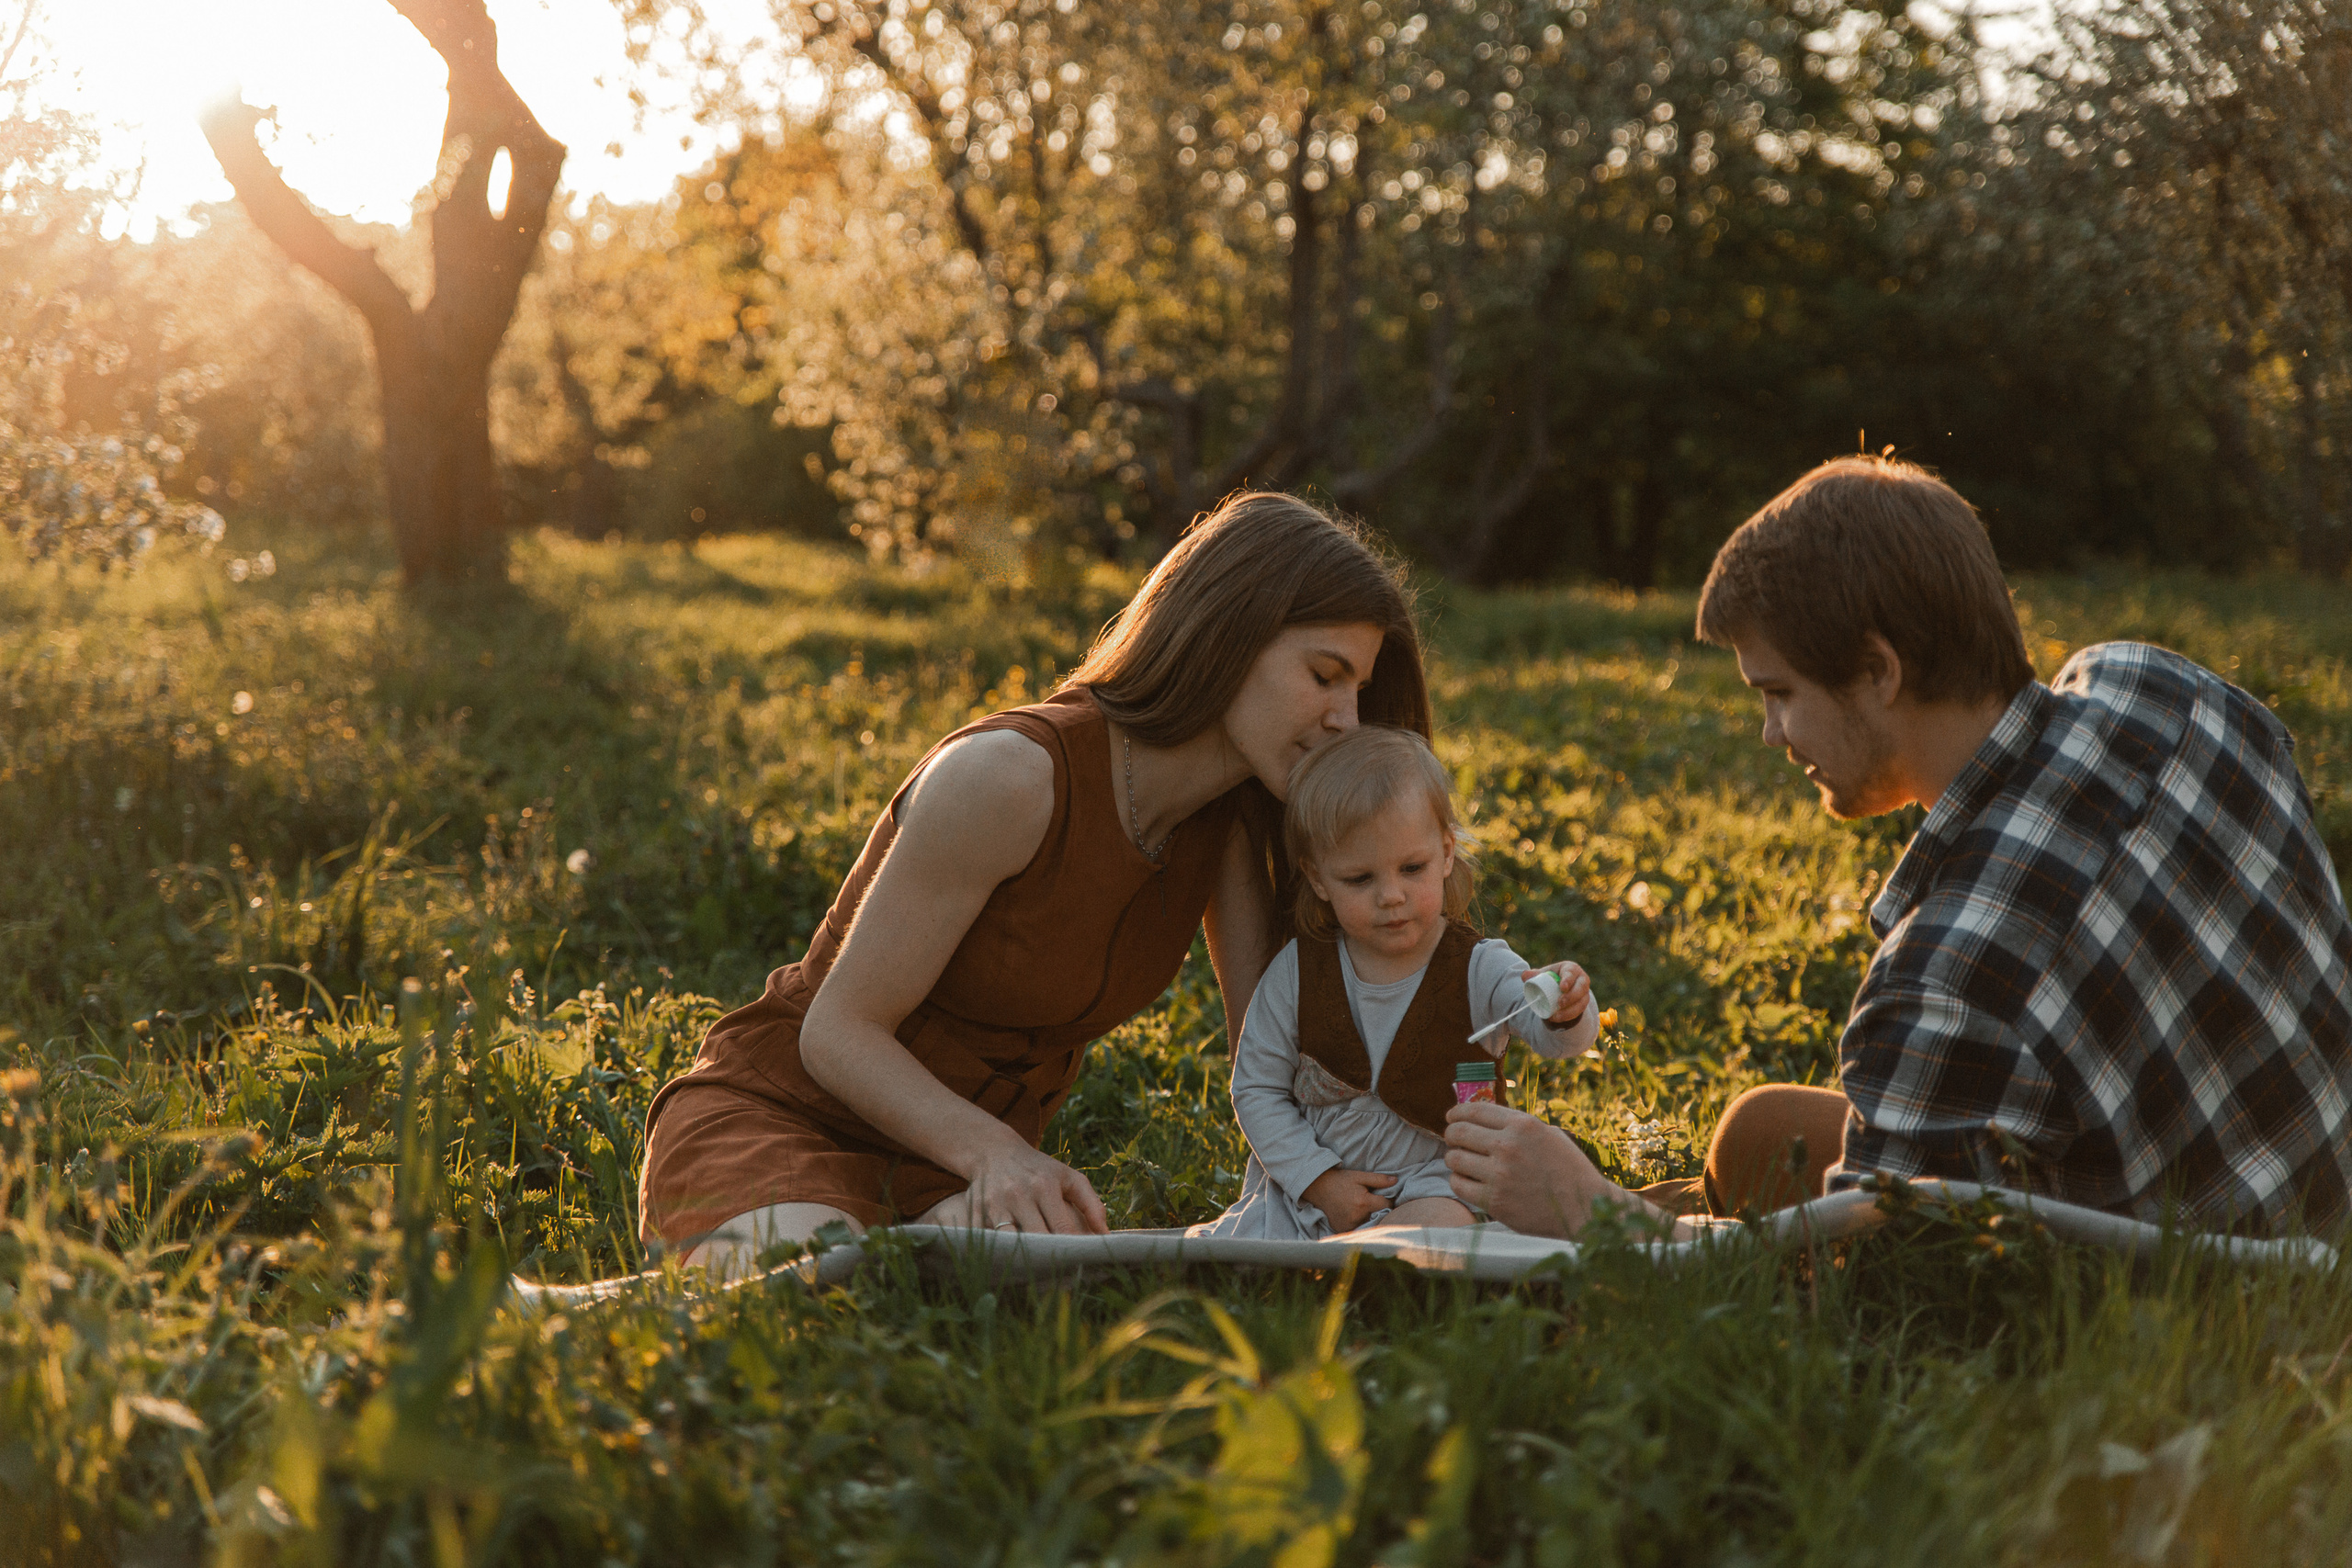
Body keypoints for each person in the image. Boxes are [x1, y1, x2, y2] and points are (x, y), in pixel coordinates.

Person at [1447, 456, 2352, 1240]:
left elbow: (1876, 1331)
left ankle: (1627, 1230)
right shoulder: (2157, 686)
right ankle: (1684, 1216)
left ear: (1879, 670)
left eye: (1778, 693)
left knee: (1717, 1220)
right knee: (1757, 1131)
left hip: (2195, 1280)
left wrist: (1592, 1212)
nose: (1769, 734)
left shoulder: (1945, 975)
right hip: (2302, 1175)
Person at [637, 492, 1434, 1278]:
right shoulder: (1012, 777)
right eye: (1325, 675)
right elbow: (836, 1032)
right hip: (786, 1119)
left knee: (953, 1295)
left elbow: (1279, 1050)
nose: (1346, 720)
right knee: (812, 1280)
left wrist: (1432, 1157)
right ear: (1232, 630)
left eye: (1358, 691)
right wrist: (999, 1156)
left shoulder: (1224, 825)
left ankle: (914, 1243)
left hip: (952, 1175)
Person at [1189, 726, 1598, 1240]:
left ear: (1446, 853)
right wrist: (1319, 1182)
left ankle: (1365, 1268)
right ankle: (1330, 1266)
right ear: (1318, 878)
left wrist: (1565, 1010)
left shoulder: (1478, 966)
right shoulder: (1298, 971)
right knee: (1248, 1243)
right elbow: (1256, 1088)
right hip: (1313, 1186)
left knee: (1441, 1229)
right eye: (1360, 879)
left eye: (1412, 868)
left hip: (1437, 1179)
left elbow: (1549, 1034)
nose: (1391, 896)